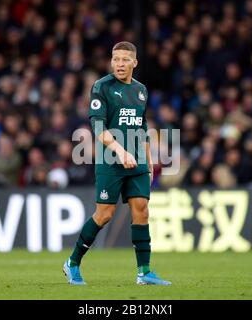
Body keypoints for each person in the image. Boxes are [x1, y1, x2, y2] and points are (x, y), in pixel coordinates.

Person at [63, 41, 171, 286]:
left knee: (141, 209)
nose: (119, 64)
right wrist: (120, 151)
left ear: (135, 62)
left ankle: (144, 272)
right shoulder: (101, 87)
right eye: (116, 59)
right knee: (104, 215)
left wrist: (150, 161)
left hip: (138, 160)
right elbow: (98, 127)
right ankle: (72, 263)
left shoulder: (141, 90)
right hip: (111, 159)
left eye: (125, 59)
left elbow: (142, 127)